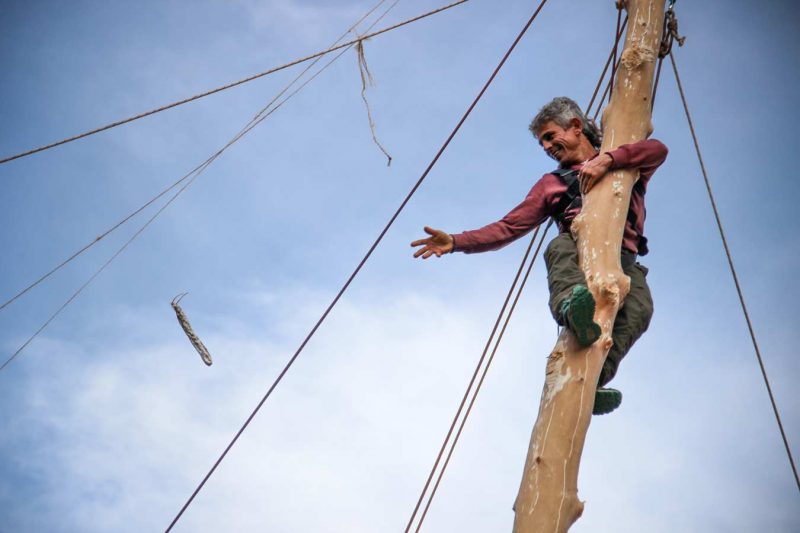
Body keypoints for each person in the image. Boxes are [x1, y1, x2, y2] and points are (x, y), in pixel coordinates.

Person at [410, 96, 668, 415]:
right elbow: (508, 227)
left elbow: (657, 150)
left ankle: (593, 382)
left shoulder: (626, 163)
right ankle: (571, 306)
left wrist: (608, 160)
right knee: (557, 247)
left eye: (550, 136)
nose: (546, 147)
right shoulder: (553, 184)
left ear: (575, 127)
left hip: (625, 261)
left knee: (640, 308)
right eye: (542, 142)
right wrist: (456, 241)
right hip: (580, 254)